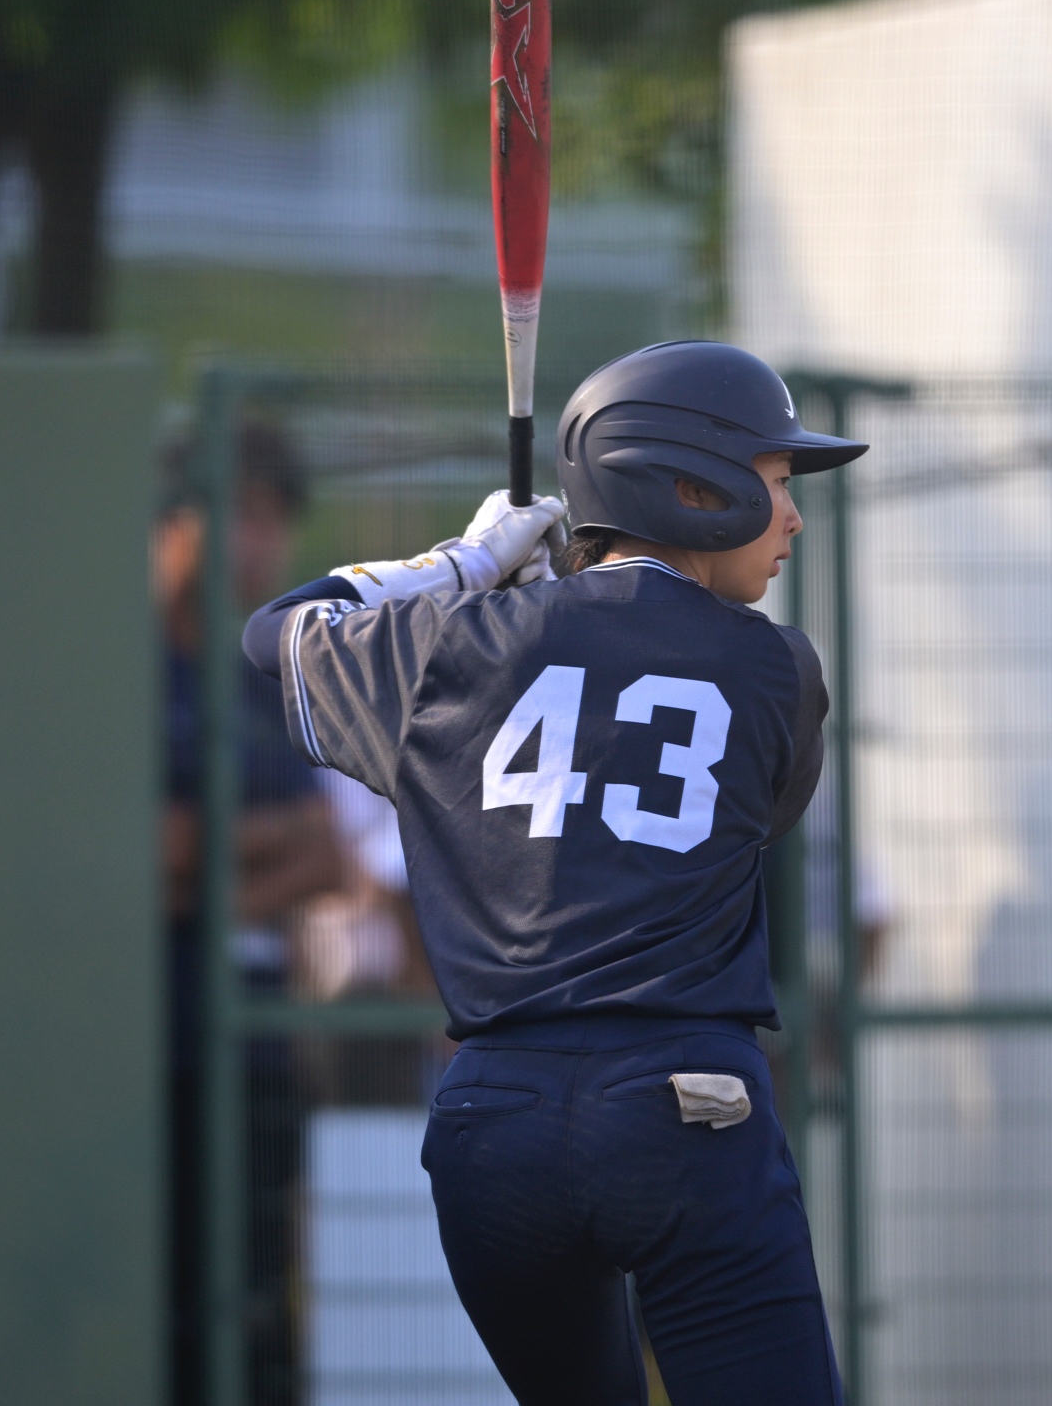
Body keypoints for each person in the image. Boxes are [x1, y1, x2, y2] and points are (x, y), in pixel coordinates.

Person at [241, 341, 862, 1406]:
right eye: (772, 479)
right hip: (686, 1107)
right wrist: (551, 628)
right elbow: (754, 812)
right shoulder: (779, 666)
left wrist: (467, 571)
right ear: (690, 487)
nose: (793, 516)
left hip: (492, 1121)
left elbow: (276, 635)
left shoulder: (449, 648)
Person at [155, 422, 351, 1406]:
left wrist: (202, 883)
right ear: (175, 520)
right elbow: (143, 854)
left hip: (259, 1053)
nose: (262, 543)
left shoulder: (265, 676)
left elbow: (331, 853)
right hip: (147, 1055)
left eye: (277, 520)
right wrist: (264, 842)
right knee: (163, 1316)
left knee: (258, 1318)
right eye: (242, 513)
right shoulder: (121, 667)